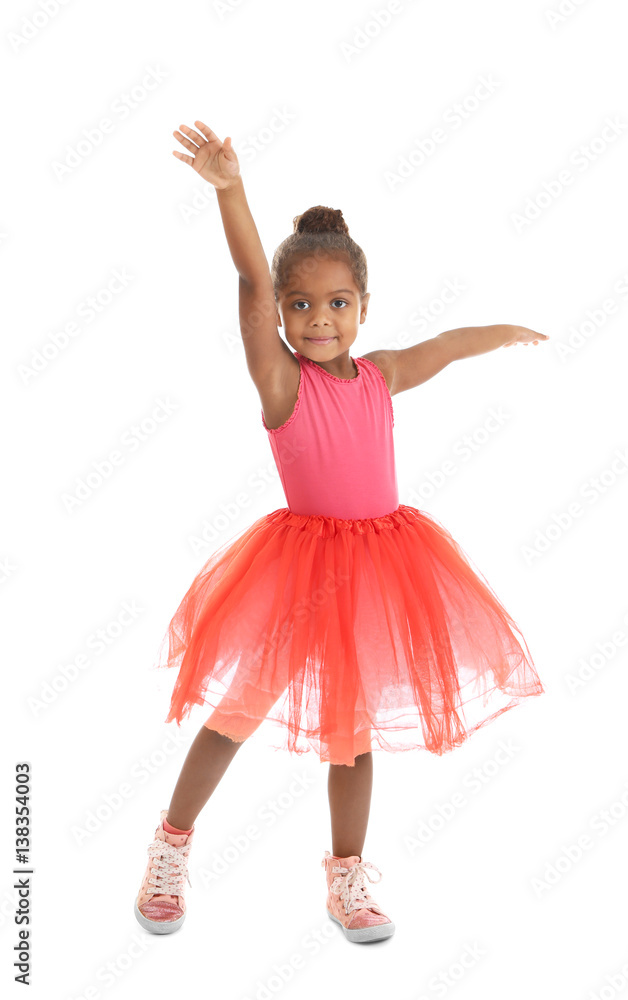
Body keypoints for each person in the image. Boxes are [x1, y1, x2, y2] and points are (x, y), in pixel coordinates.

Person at [134, 120, 548, 943]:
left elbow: (442, 346)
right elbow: (252, 276)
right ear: (281, 314)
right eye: (301, 304)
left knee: (352, 738)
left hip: (383, 566)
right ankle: (169, 845)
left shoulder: (380, 374)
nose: (317, 318)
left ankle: (347, 878)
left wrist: (502, 333)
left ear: (362, 306)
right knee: (235, 714)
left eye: (336, 303)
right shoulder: (281, 382)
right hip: (294, 570)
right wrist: (231, 191)